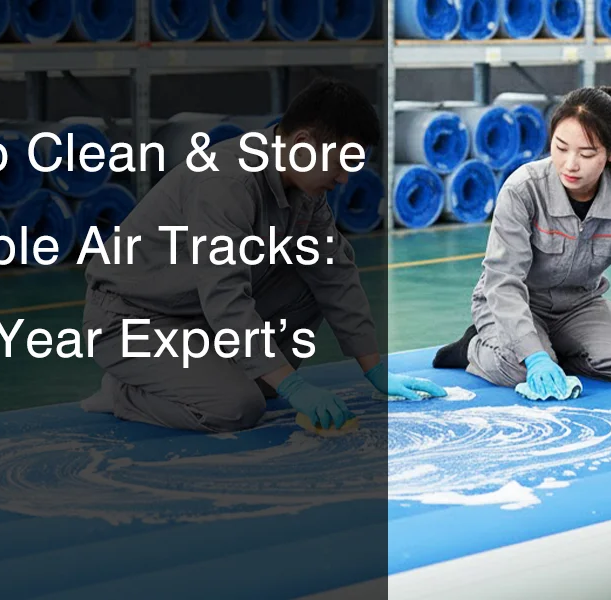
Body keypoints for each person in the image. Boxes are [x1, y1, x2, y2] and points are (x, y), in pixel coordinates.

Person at [80, 77, 445, 433]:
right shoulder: (226, 182)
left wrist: (375, 369)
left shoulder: (305, 188)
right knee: (236, 407)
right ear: (303, 143)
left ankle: (236, 376)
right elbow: (225, 297)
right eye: (342, 163)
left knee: (306, 287)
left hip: (194, 311)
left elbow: (335, 275)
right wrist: (294, 386)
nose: (344, 179)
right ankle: (124, 393)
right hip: (134, 320)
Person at [432, 86, 611, 398]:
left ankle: (551, 353)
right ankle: (474, 347)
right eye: (561, 148)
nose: (570, 164)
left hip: (579, 305)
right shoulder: (522, 189)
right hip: (517, 303)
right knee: (519, 369)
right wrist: (534, 356)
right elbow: (503, 281)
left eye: (586, 154)